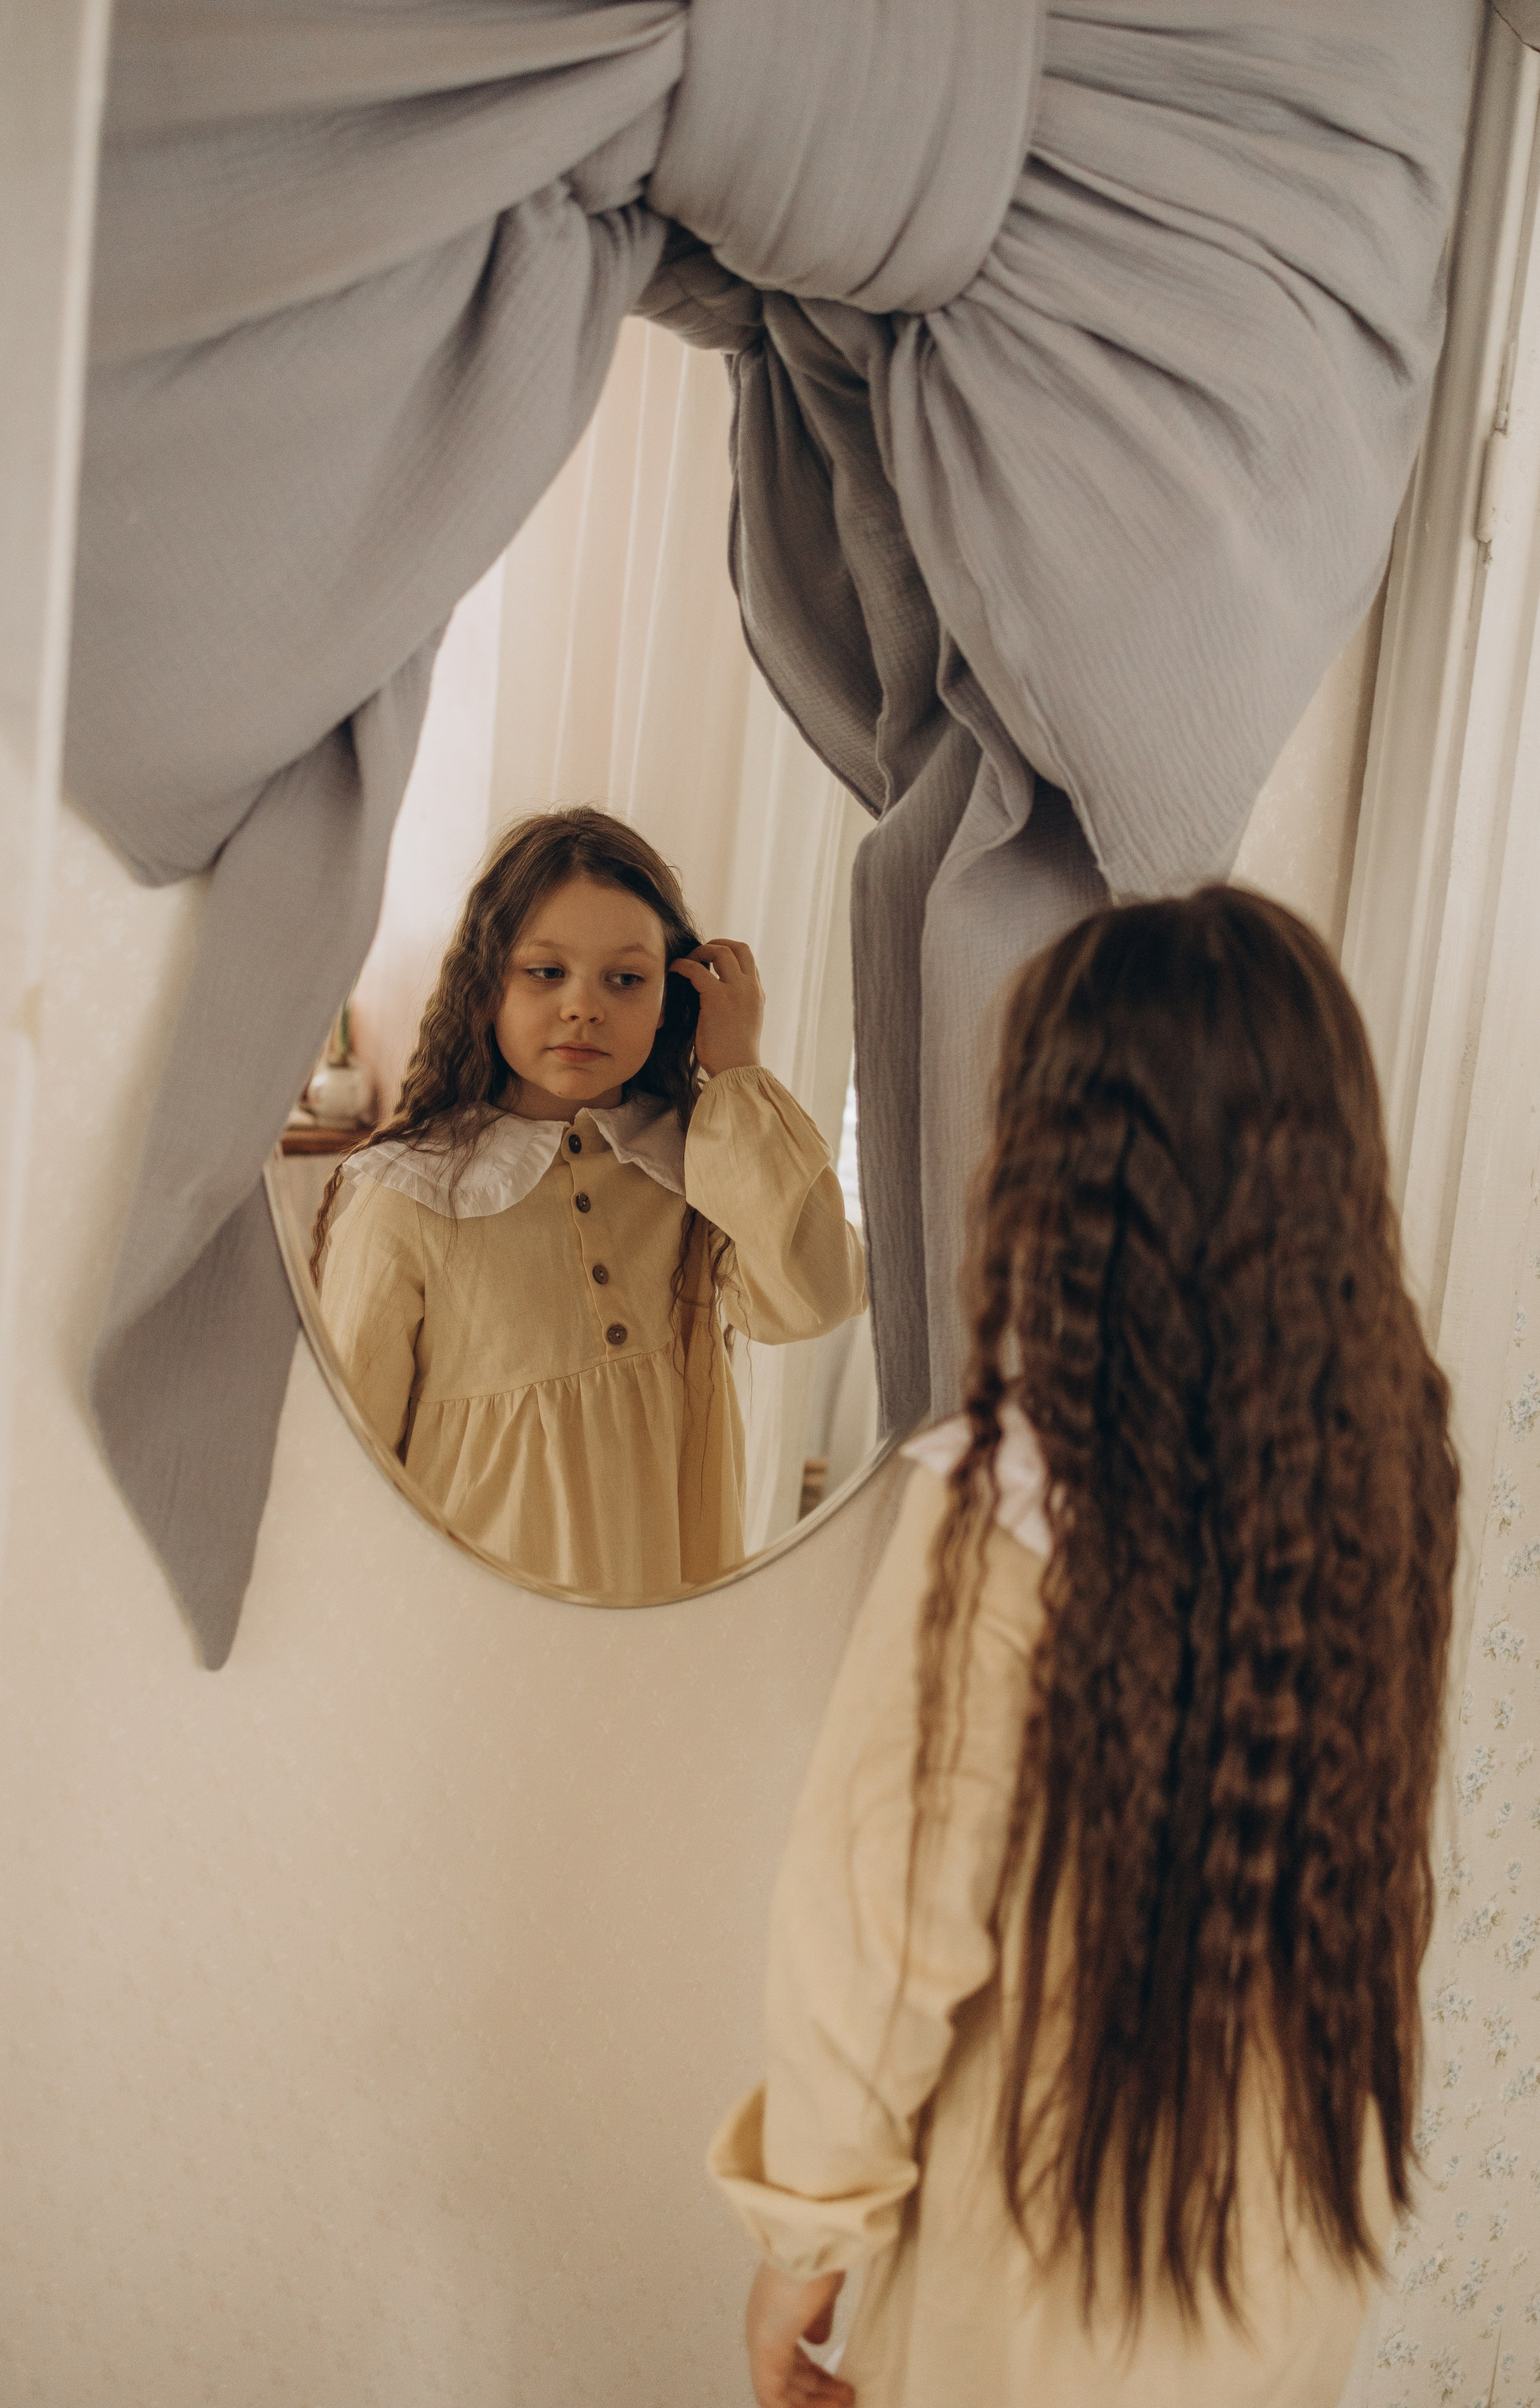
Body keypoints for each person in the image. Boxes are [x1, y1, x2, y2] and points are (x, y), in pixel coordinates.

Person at [709, 886, 1459, 2407]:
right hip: (1280, 2242)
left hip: (1053, 2241)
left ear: (1068, 1167)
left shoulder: (1011, 1497)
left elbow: (880, 1918)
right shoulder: (1375, 1461)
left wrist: (802, 2244)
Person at [311, 806, 866, 1596]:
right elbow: (346, 1465)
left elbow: (816, 1295)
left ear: (671, 1000)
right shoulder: (407, 1192)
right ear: (487, 983)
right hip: (469, 1639)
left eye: (626, 979)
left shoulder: (694, 1169)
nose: (584, 1006)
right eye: (545, 972)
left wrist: (737, 1071)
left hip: (659, 1621)